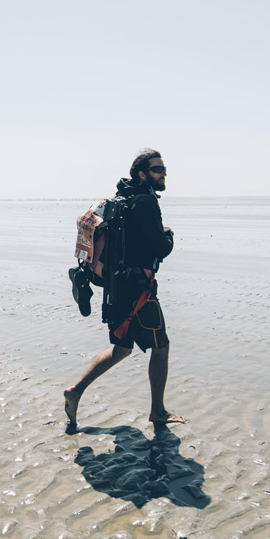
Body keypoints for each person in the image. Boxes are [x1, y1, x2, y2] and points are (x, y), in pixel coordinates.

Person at [64, 147, 180, 433]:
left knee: (123, 349)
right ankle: (158, 411)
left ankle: (75, 391)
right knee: (161, 347)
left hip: (117, 288)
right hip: (138, 289)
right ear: (142, 174)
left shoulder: (121, 199)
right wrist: (169, 235)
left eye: (164, 169)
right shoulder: (145, 202)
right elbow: (159, 248)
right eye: (157, 169)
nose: (163, 173)